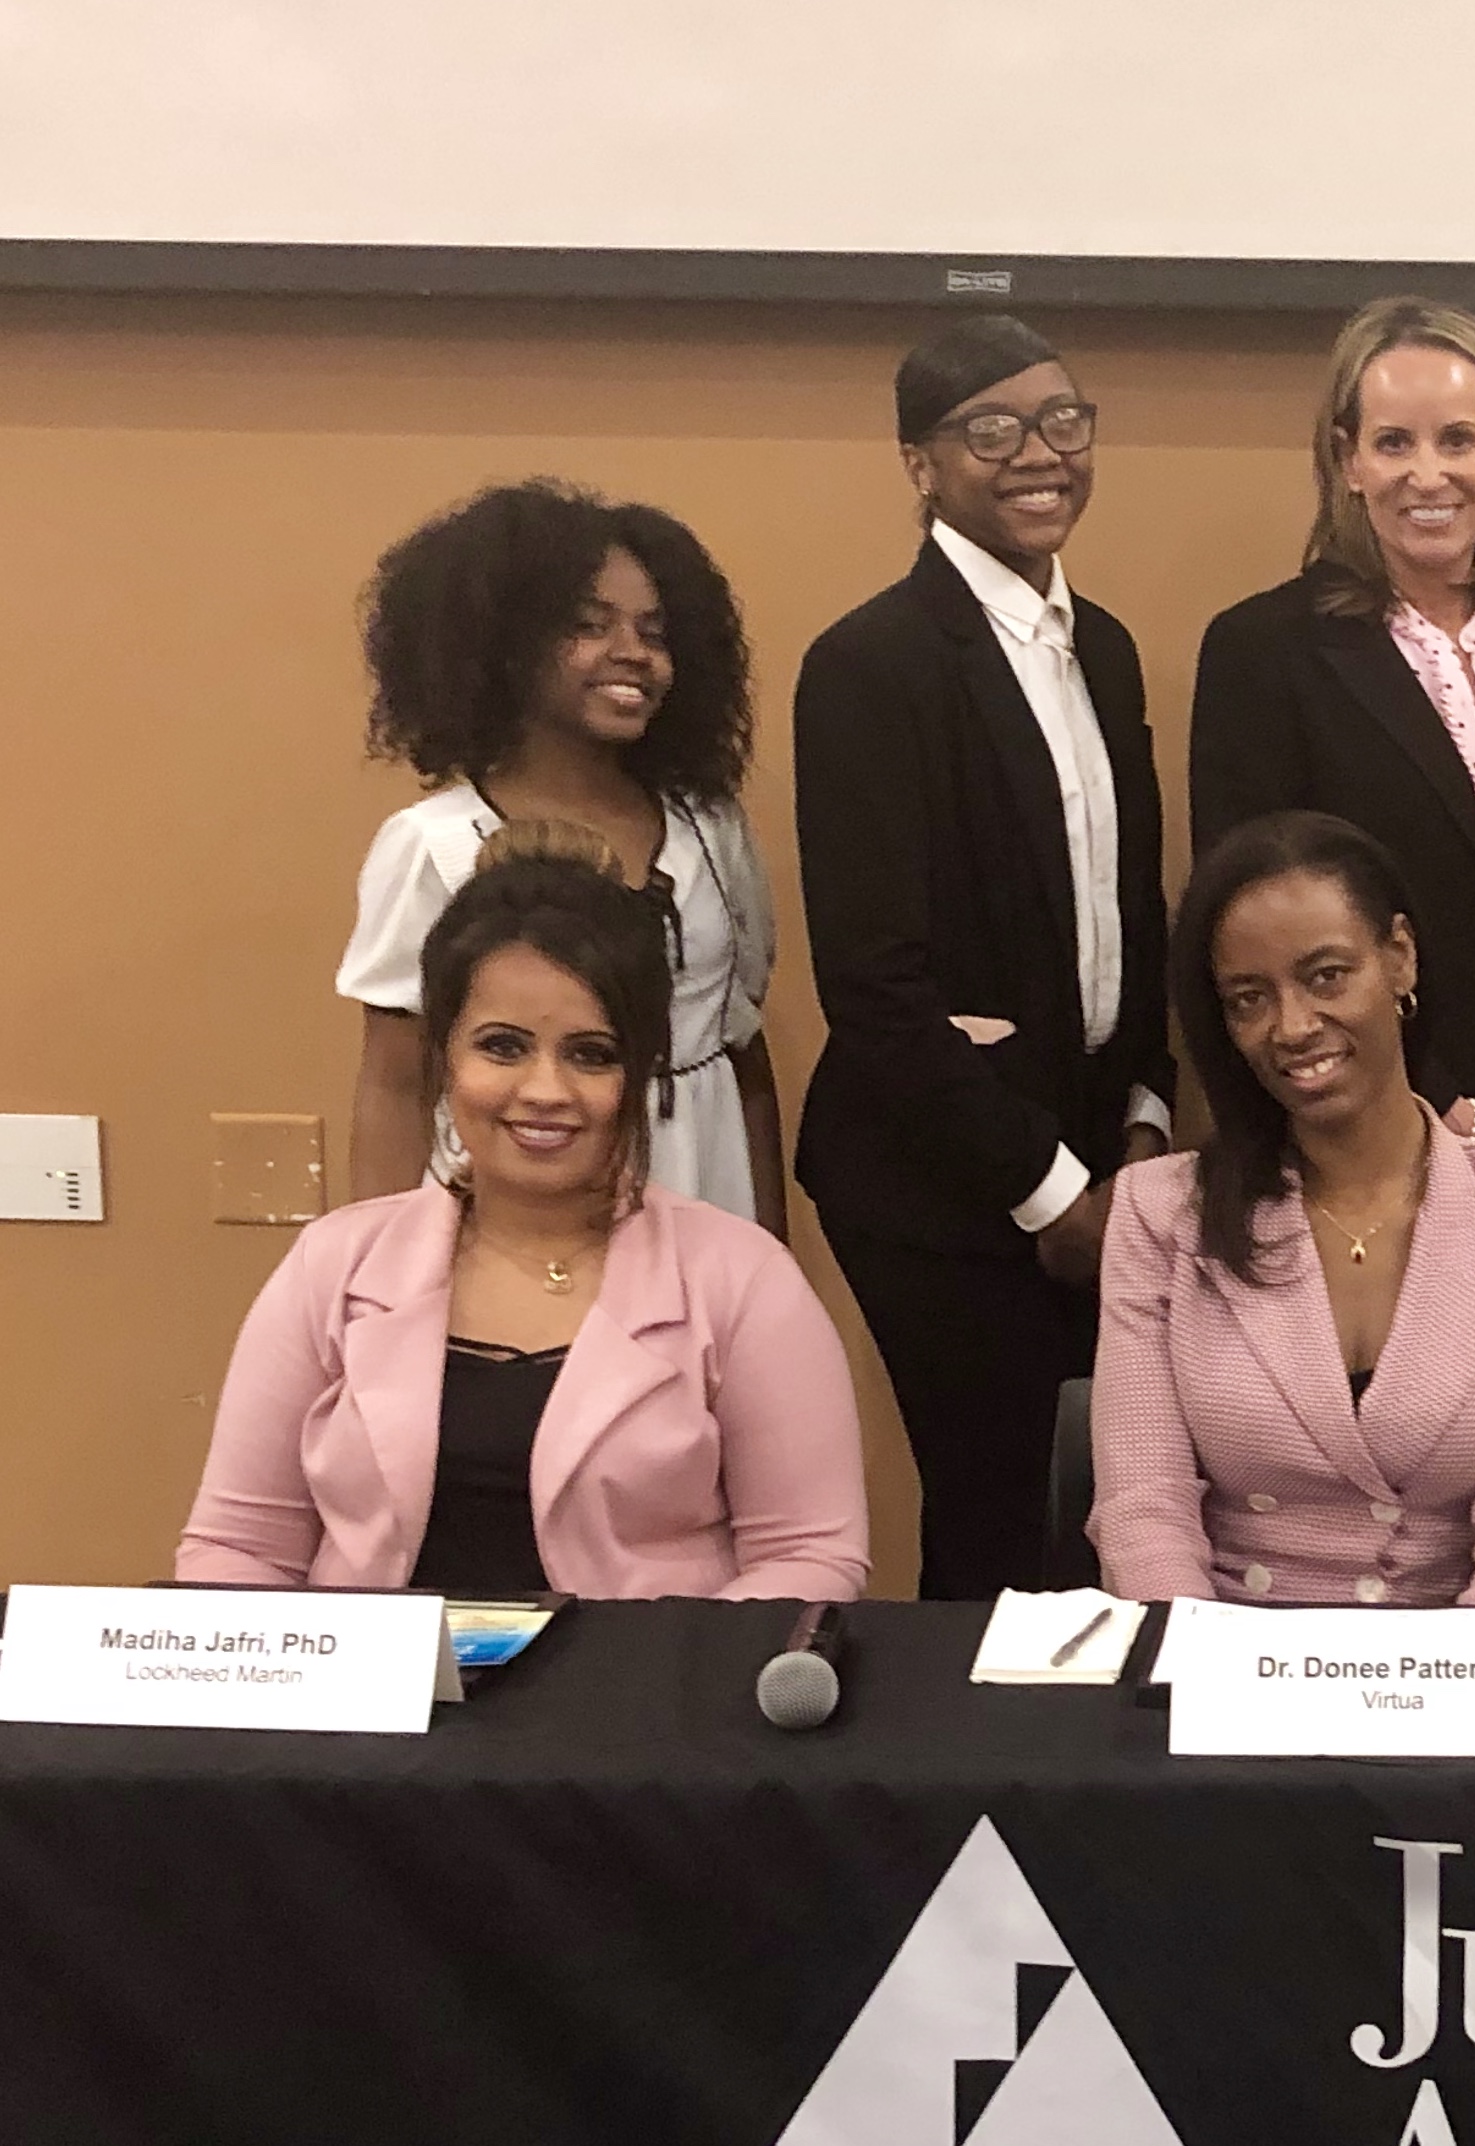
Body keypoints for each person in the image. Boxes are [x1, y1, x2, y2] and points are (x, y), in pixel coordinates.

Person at [182, 827, 867, 1599]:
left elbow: (810, 1558)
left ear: (640, 1071)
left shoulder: (744, 1282)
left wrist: (645, 1689)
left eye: (591, 1053)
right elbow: (237, 1548)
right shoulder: (333, 1266)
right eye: (503, 1047)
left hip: (642, 1710)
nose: (545, 1090)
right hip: (376, 1714)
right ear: (444, 1059)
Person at [791, 314, 1175, 1599]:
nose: (1039, 455)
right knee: (1000, 1513)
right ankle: (976, 1795)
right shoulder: (868, 667)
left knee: (1109, 1507)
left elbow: (1130, 914)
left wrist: (1143, 1117)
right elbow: (877, 988)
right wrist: (1050, 1193)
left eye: (1065, 421)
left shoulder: (1103, 646)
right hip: (937, 1184)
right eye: (992, 428)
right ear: (920, 463)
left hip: (1093, 1163)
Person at [1090, 813, 1475, 1608]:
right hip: (1223, 1675)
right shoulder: (1160, 1212)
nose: (1292, 1027)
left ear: (1400, 959)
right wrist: (1205, 1689)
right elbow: (1144, 1517)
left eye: (1326, 976)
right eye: (1249, 999)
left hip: (1457, 1680)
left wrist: (1436, 1706)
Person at [1188, 298, 1475, 1171]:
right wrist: (1462, 1124)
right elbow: (1256, 934)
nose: (1428, 475)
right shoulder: (1263, 652)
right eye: (1394, 443)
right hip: (1352, 1146)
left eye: (1458, 440)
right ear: (1347, 460)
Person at [341, 482, 782, 1225]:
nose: (632, 654)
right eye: (590, 626)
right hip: (514, 1201)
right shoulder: (435, 846)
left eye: (655, 632)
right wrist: (375, 1276)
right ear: (502, 648)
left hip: (704, 1190)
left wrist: (773, 1249)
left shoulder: (711, 829)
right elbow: (395, 1085)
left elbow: (744, 1056)